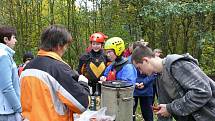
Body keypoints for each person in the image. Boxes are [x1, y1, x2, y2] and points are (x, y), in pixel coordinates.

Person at [19, 25, 90, 121]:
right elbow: (82, 104)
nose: (65, 49)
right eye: (66, 46)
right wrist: (83, 83)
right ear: (59, 45)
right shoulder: (58, 69)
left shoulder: (27, 68)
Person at [131, 45, 215, 121]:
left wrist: (170, 108)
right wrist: (166, 109)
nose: (140, 72)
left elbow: (203, 92)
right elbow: (164, 111)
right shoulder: (159, 77)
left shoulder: (177, 65)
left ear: (145, 60)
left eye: (139, 68)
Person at [0, 25, 22, 120]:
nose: (15, 41)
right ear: (6, 39)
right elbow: (7, 87)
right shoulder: (4, 56)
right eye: (13, 37)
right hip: (7, 112)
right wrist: (18, 108)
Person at [131, 41, 156, 121]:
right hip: (134, 89)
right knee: (131, 112)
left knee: (148, 113)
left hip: (147, 90)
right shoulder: (130, 61)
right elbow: (129, 74)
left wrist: (144, 82)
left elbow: (153, 74)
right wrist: (134, 83)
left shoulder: (150, 62)